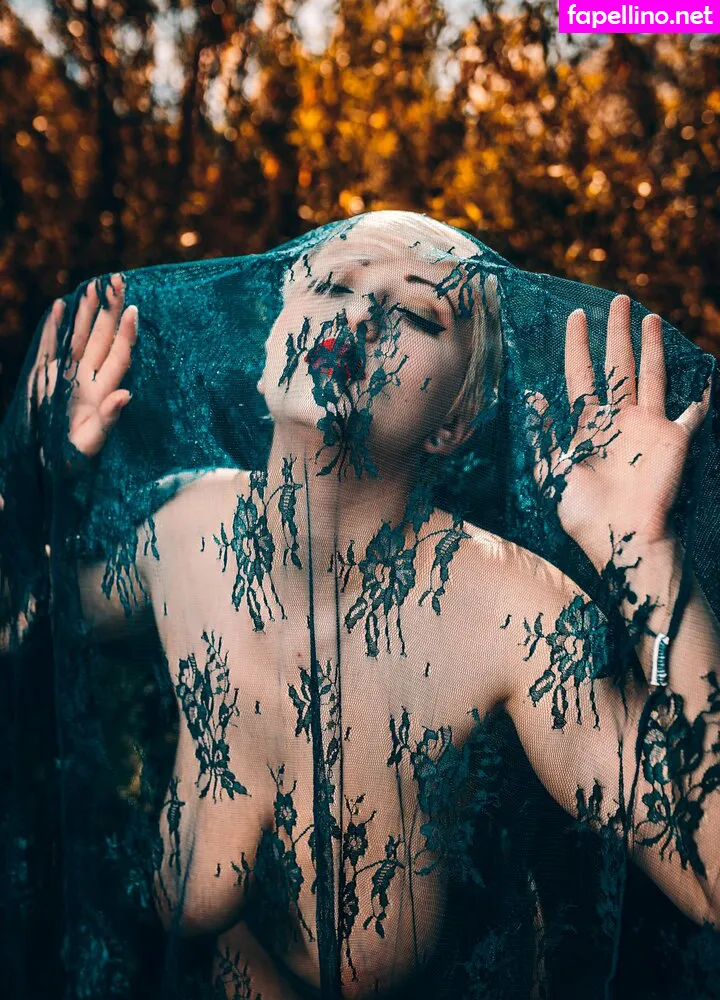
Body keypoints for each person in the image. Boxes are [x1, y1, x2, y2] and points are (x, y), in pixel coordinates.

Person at [7, 210, 720, 999]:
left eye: (416, 311)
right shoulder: (183, 528)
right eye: (329, 285)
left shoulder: (514, 616)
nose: (357, 315)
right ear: (269, 347)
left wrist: (645, 553)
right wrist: (40, 481)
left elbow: (709, 882)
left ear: (455, 421)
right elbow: (26, 627)